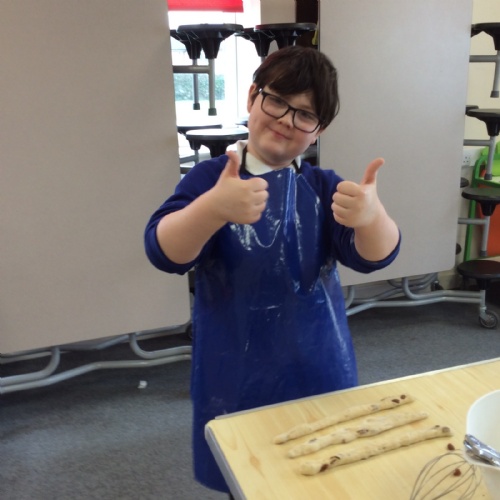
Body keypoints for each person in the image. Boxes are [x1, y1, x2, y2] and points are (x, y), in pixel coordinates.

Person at [144, 45, 400, 494]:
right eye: (277, 101)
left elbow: (375, 255)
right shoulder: (211, 180)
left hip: (318, 367)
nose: (286, 120)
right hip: (236, 372)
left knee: (322, 477)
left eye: (305, 115)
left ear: (318, 131)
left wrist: (372, 217)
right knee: (249, 477)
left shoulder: (322, 186)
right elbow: (164, 250)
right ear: (252, 97)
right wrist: (212, 209)